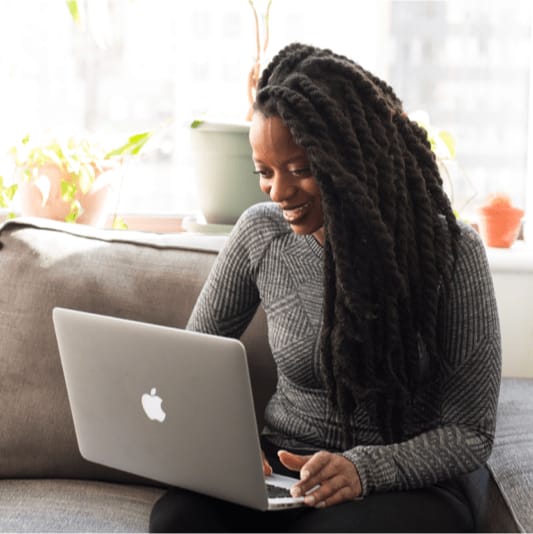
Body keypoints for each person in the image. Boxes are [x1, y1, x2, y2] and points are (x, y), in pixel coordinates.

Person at [150, 42, 501, 532]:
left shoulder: (453, 252)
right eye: (265, 173)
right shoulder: (260, 234)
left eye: (300, 170)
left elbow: (469, 432)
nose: (279, 191)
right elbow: (187, 364)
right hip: (285, 467)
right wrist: (226, 445)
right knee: (177, 519)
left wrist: (364, 470)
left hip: (401, 482)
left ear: (353, 160)